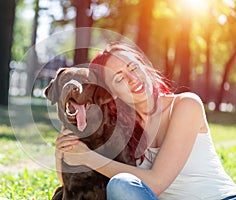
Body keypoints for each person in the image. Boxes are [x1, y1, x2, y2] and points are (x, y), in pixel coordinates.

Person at [55, 42, 236, 200]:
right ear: (111, 93)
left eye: (133, 68)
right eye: (119, 78)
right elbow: (72, 183)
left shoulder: (186, 105)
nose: (133, 79)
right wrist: (64, 150)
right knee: (121, 187)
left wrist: (88, 157)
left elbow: (157, 183)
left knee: (120, 184)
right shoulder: (122, 131)